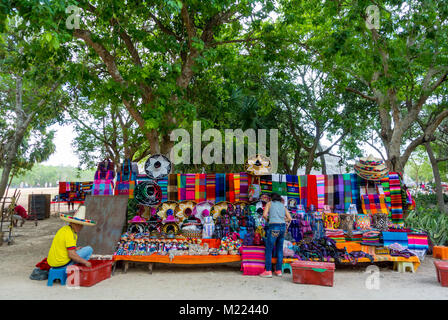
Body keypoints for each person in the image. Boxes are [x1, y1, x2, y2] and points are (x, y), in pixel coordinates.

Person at [259, 193, 292, 278]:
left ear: (271, 198)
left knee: (269, 249)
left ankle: (268, 271)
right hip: (282, 227)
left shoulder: (269, 204)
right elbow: (290, 218)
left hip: (274, 226)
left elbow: (264, 215)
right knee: (279, 249)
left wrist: (269, 219)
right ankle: (278, 270)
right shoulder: (282, 205)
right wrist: (283, 219)